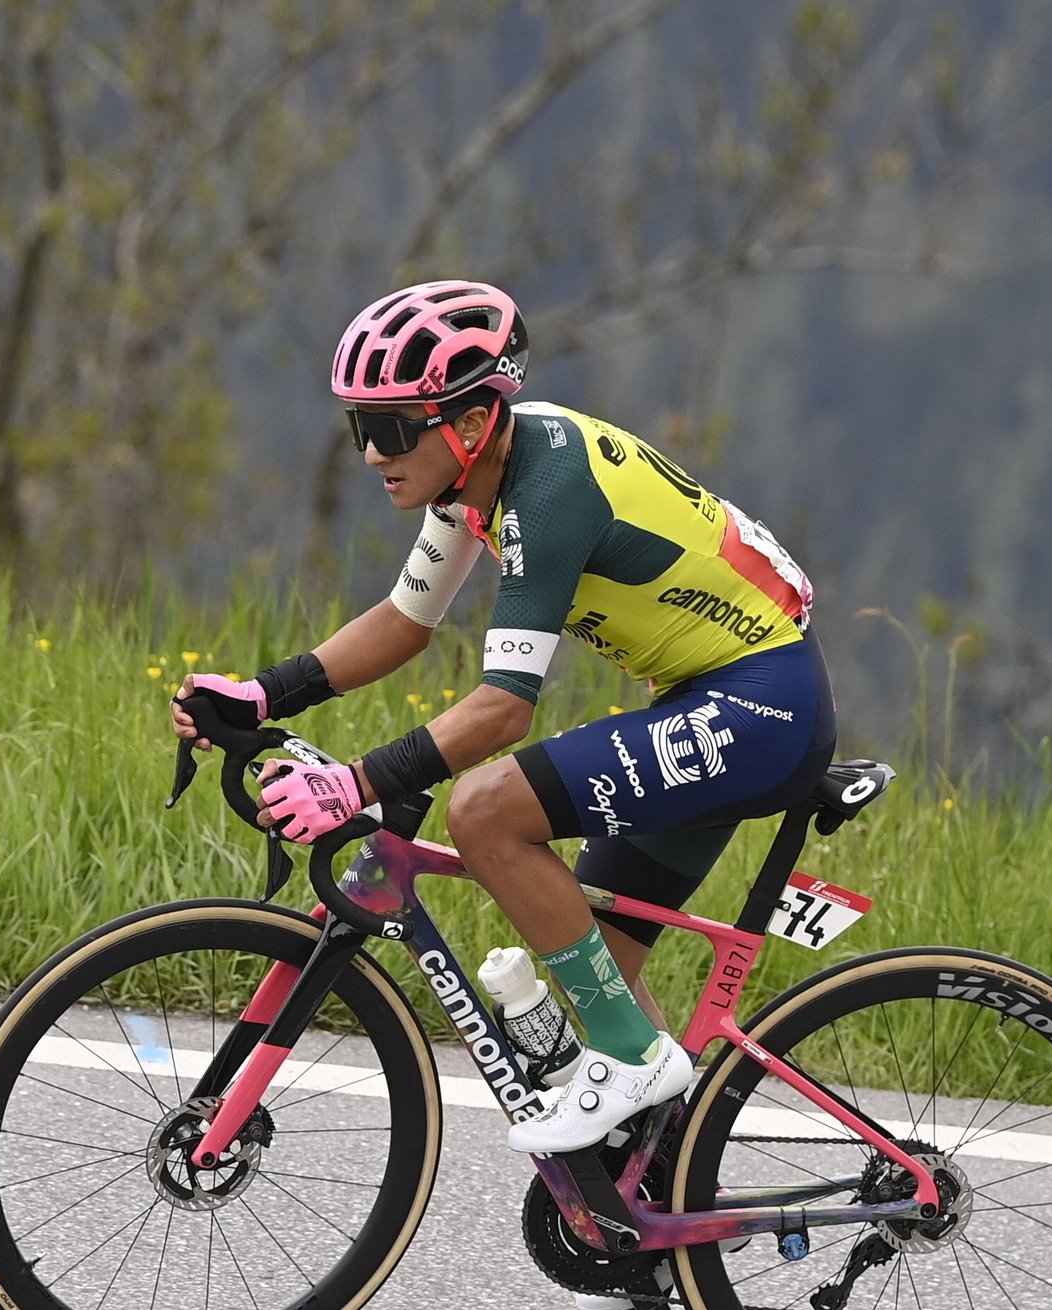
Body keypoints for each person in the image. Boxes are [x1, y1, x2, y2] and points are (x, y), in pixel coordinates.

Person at [171, 278, 833, 1162]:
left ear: (472, 422)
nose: (371, 453)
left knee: (484, 811)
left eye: (392, 427)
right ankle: (647, 1215)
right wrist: (266, 694)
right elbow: (407, 622)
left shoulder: (550, 491)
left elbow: (502, 711)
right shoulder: (477, 475)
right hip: (708, 701)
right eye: (359, 426)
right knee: (602, 970)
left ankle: (635, 1066)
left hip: (761, 704)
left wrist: (357, 782)